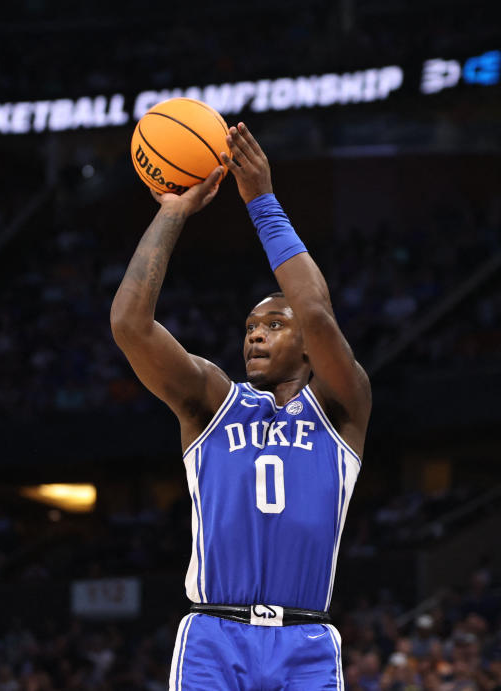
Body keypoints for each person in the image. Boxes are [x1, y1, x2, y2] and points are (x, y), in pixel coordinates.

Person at [110, 122, 371, 689]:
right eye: (250, 326)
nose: (255, 335)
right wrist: (172, 212)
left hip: (307, 640)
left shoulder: (343, 408)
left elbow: (319, 314)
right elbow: (129, 324)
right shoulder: (212, 403)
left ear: (306, 345)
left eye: (275, 325)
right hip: (213, 635)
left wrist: (262, 204)